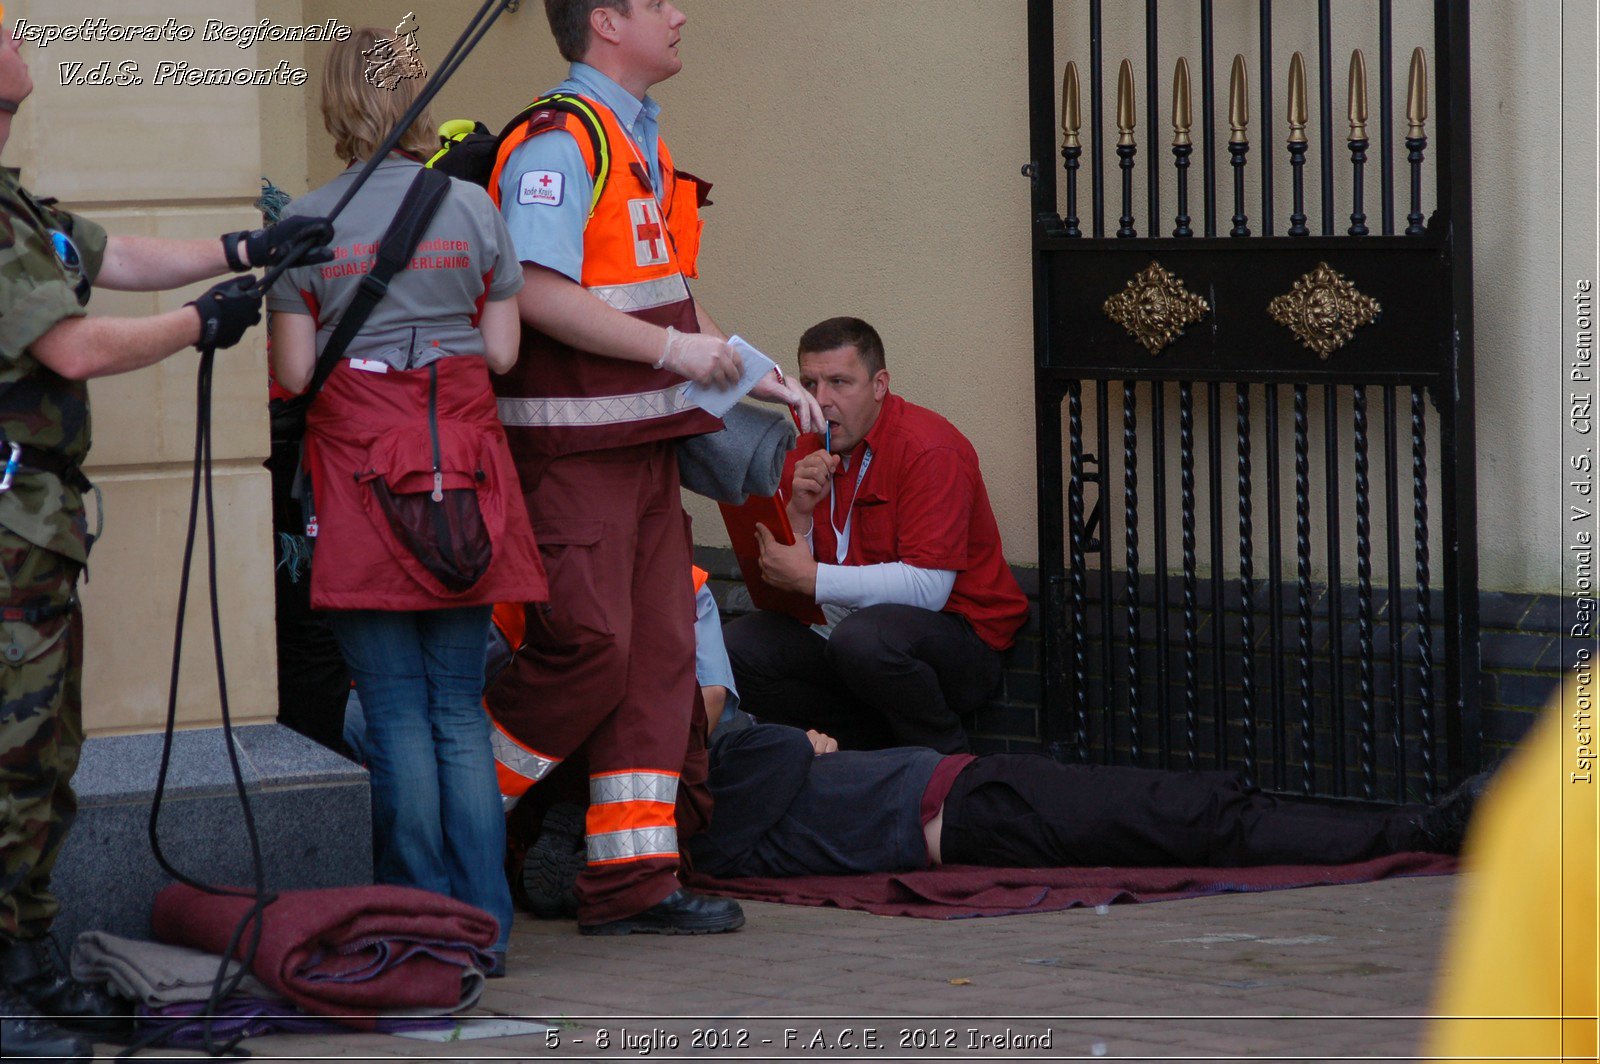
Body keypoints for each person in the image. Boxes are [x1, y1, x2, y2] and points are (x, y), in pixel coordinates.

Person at [0, 18, 329, 1061]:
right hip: (10, 531)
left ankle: (27, 966)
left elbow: (107, 252)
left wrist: (247, 248)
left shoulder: (15, 204)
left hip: (35, 530)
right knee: (9, 762)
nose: (18, 36)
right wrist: (203, 320)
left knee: (45, 758)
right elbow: (74, 340)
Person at [482, 0, 819, 937]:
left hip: (640, 455)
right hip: (574, 455)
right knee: (589, 650)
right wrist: (680, 362)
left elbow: (670, 306)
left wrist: (766, 380)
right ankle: (457, 814)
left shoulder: (637, 144)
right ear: (605, 21)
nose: (681, 14)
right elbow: (540, 293)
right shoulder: (559, 141)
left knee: (660, 668)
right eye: (658, 1)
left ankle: (632, 884)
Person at [266, 30, 543, 975]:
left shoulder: (305, 221)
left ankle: (422, 920)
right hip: (462, 485)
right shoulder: (471, 205)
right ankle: (488, 926)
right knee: (458, 711)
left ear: (334, 104)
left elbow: (296, 374)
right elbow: (502, 356)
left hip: (362, 488)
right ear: (418, 95)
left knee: (390, 712)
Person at [723, 317, 1031, 754]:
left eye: (839, 382)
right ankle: (860, 753)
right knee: (738, 648)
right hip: (848, 638)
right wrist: (799, 517)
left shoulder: (929, 449)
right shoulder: (807, 449)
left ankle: (948, 768)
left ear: (880, 384)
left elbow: (930, 589)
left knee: (864, 640)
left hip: (960, 640)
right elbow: (789, 592)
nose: (821, 401)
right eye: (809, 383)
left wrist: (813, 578)